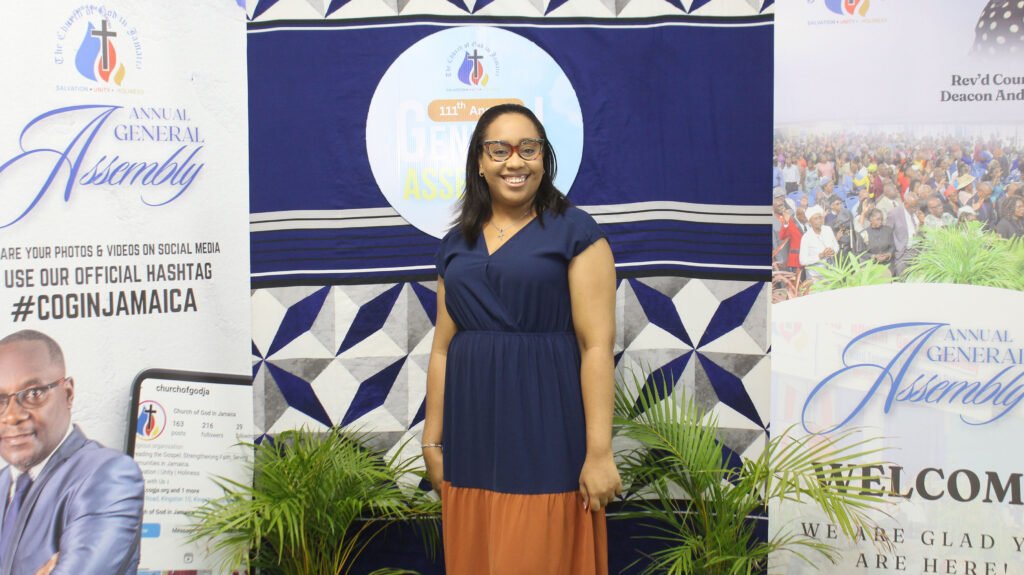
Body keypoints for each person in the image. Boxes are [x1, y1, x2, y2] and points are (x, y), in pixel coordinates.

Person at [424, 104, 620, 575]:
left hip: (545, 429)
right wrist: (433, 441)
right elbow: (442, 348)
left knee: (538, 551)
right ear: (480, 161)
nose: (515, 162)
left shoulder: (576, 233)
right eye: (500, 150)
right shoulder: (456, 243)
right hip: (472, 436)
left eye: (528, 149)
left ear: (544, 157)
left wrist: (599, 453)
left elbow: (596, 347)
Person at [0, 330, 143, 575]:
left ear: (68, 393)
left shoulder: (108, 475)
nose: (12, 416)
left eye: (34, 394)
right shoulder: (3, 483)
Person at [799, 206, 838, 279]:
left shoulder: (828, 230)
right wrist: (820, 256)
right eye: (816, 218)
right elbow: (802, 261)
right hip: (815, 275)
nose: (819, 220)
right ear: (810, 222)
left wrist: (833, 251)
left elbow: (836, 246)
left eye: (820, 217)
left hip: (831, 270)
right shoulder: (806, 237)